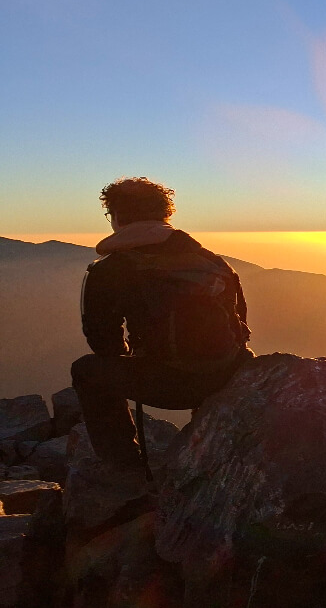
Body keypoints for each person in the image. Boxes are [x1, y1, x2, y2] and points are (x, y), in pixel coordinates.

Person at [71, 177, 252, 467]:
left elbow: (103, 344)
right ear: (164, 214)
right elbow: (239, 323)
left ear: (118, 216)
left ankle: (122, 466)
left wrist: (140, 350)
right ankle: (207, 450)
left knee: (86, 371)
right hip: (227, 377)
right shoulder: (211, 261)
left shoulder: (109, 269)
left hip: (171, 384)